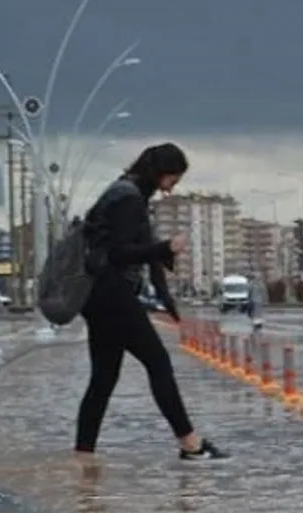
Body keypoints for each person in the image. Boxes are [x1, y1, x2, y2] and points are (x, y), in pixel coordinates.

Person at [74, 142, 228, 461]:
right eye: (173, 179)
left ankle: (83, 454)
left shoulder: (126, 193)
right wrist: (167, 247)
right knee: (158, 362)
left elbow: (144, 252)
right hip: (111, 293)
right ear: (161, 173)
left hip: (98, 296)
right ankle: (190, 443)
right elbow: (120, 252)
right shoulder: (128, 199)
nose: (171, 189)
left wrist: (165, 295)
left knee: (103, 377)